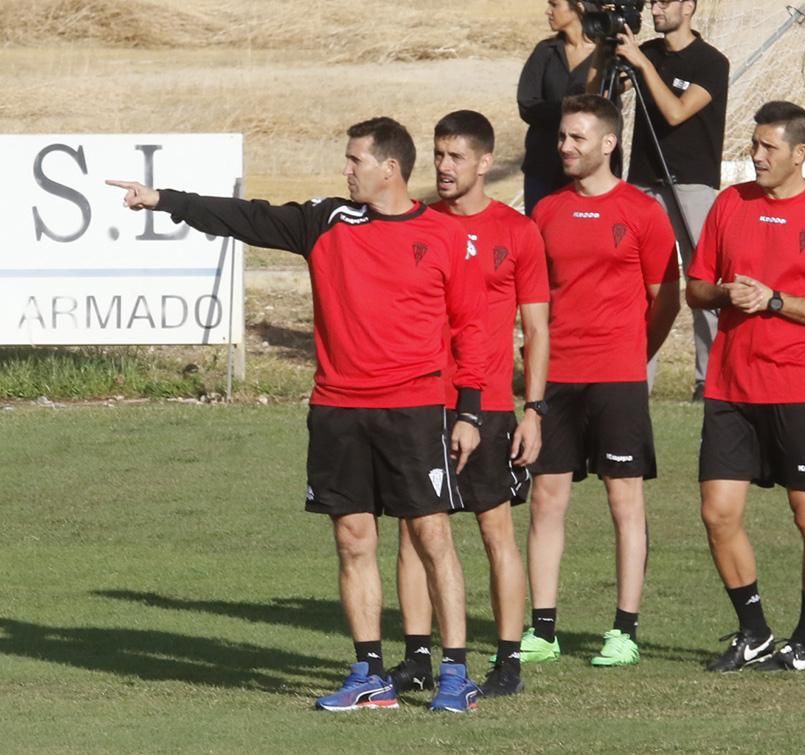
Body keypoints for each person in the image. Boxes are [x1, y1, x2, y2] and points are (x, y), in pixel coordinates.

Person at [107, 117, 488, 712]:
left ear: (389, 168)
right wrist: (165, 201)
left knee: (432, 534)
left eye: (355, 159)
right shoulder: (326, 221)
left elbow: (473, 331)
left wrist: (470, 414)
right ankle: (369, 673)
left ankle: (455, 675)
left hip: (413, 411)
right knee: (353, 538)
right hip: (337, 408)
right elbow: (250, 217)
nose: (347, 169)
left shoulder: (442, 237)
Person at [686, 101, 805, 673]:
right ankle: (755, 631)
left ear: (799, 154)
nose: (756, 155)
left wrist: (777, 301)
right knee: (718, 513)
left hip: (799, 389)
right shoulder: (729, 204)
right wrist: (725, 294)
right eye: (754, 145)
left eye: (768, 147)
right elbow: (696, 289)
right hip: (731, 388)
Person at [388, 110, 550, 698]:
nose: (444, 167)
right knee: (414, 529)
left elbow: (536, 328)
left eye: (456, 157)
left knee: (494, 529)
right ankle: (418, 656)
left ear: (485, 162)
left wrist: (535, 409)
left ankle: (508, 660)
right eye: (438, 155)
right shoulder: (419, 222)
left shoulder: (518, 231)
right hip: (423, 398)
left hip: (491, 407)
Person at [522, 94, 680, 667]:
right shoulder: (543, 211)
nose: (564, 147)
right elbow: (533, 299)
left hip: (617, 378)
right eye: (562, 137)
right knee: (546, 499)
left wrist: (634, 354)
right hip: (556, 376)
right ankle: (542, 629)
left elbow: (666, 299)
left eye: (577, 138)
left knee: (624, 502)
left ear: (608, 144)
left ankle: (625, 630)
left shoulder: (642, 212)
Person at [597, 0, 729, 400]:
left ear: (689, 7)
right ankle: (636, 378)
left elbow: (674, 112)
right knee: (637, 287)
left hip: (691, 184)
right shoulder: (647, 54)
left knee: (703, 286)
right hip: (643, 184)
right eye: (652, 2)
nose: (655, 8)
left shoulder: (711, 62)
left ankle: (709, 381)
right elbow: (601, 102)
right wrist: (608, 55)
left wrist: (641, 64)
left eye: (664, 2)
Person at [517, 0, 596, 215]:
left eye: (555, 5)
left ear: (578, 7)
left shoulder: (605, 55)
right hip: (542, 166)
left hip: (588, 171)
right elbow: (527, 104)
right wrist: (574, 111)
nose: (548, 11)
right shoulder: (545, 51)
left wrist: (554, 111)